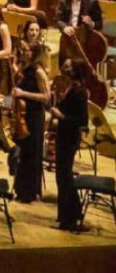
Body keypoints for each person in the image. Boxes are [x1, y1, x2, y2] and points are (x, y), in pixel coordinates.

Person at [52, 59, 90, 232]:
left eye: (68, 66)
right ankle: (66, 217)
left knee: (65, 177)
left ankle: (72, 217)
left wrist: (61, 116)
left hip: (69, 138)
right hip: (63, 136)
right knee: (62, 177)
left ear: (75, 71)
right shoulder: (69, 88)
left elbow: (82, 121)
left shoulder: (80, 92)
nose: (64, 68)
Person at [12, 42, 51, 203]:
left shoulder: (39, 72)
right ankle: (21, 189)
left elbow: (46, 97)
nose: (23, 52)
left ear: (34, 54)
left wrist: (23, 93)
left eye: (26, 50)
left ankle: (30, 192)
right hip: (23, 114)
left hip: (34, 116)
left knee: (32, 153)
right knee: (24, 153)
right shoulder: (25, 68)